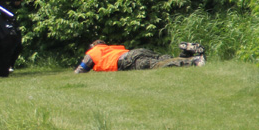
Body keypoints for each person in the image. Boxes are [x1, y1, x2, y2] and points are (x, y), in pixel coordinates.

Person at [74, 41, 205, 72]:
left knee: (156, 65)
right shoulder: (111, 48)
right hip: (136, 52)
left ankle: (193, 61)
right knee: (162, 58)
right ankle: (185, 55)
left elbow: (81, 69)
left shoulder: (93, 52)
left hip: (127, 60)